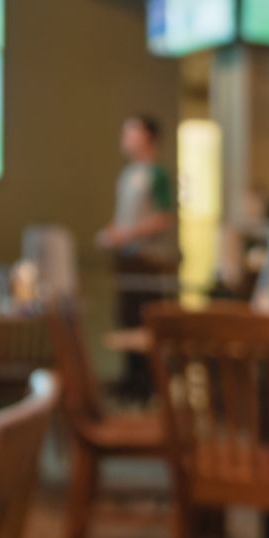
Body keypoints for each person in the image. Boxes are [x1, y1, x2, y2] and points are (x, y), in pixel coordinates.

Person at [96, 114, 177, 395]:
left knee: (145, 324)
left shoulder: (157, 174)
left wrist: (126, 234)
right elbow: (125, 218)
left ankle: (150, 385)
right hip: (127, 259)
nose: (125, 136)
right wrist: (112, 233)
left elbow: (164, 217)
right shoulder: (129, 174)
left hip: (148, 261)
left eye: (131, 131)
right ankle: (132, 382)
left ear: (147, 137)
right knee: (127, 320)